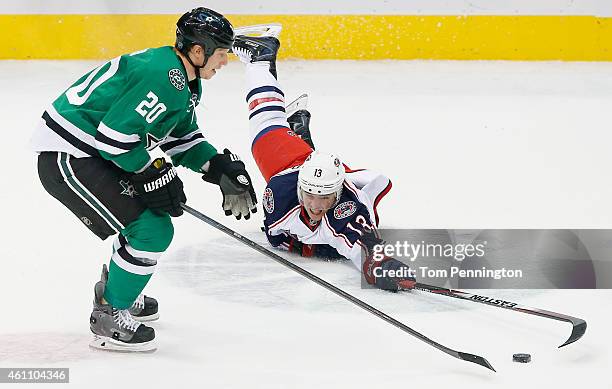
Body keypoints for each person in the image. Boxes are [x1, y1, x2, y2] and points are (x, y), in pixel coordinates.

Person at [31, 8, 257, 352]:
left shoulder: (181, 77)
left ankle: (121, 289)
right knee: (152, 228)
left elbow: (177, 136)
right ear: (198, 51)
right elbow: (113, 138)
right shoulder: (164, 76)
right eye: (222, 53)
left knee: (147, 225)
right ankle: (109, 313)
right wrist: (152, 172)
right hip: (70, 157)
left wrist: (216, 166)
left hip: (93, 151)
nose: (225, 62)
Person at [231, 33, 416, 292]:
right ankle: (260, 58)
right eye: (310, 195)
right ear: (300, 189)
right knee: (266, 122)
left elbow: (368, 248)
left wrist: (381, 266)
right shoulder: (281, 190)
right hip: (293, 163)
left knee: (265, 132)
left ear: (338, 194)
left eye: (325, 197)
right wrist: (316, 247)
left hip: (326, 175)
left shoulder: (348, 209)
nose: (316, 206)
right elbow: (276, 238)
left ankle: (298, 131)